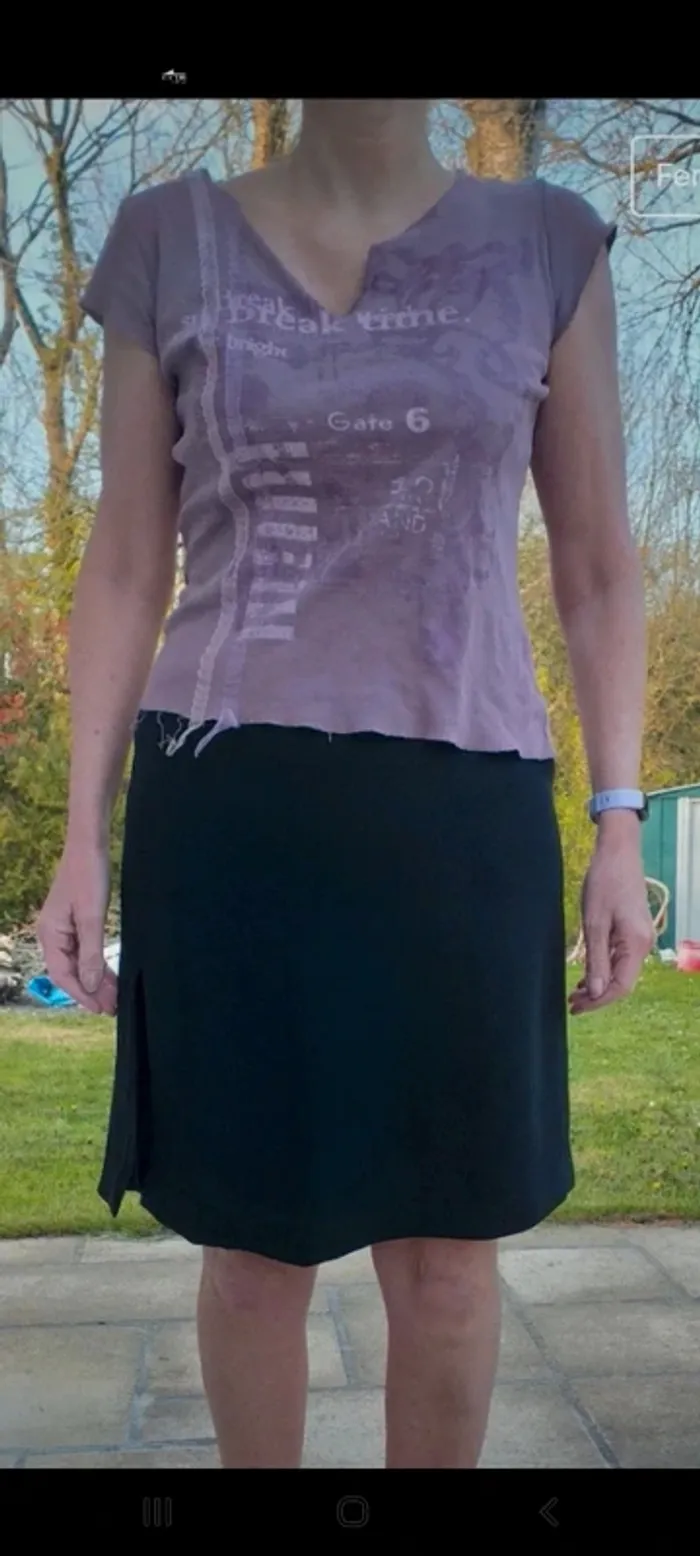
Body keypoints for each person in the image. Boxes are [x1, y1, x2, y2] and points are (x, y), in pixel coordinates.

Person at [37, 99, 654, 1470]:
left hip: (461, 815)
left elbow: (600, 565)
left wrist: (621, 822)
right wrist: (81, 833)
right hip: (231, 808)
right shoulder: (167, 238)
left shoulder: (549, 243)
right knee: (253, 1250)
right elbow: (125, 562)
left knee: (449, 1263)